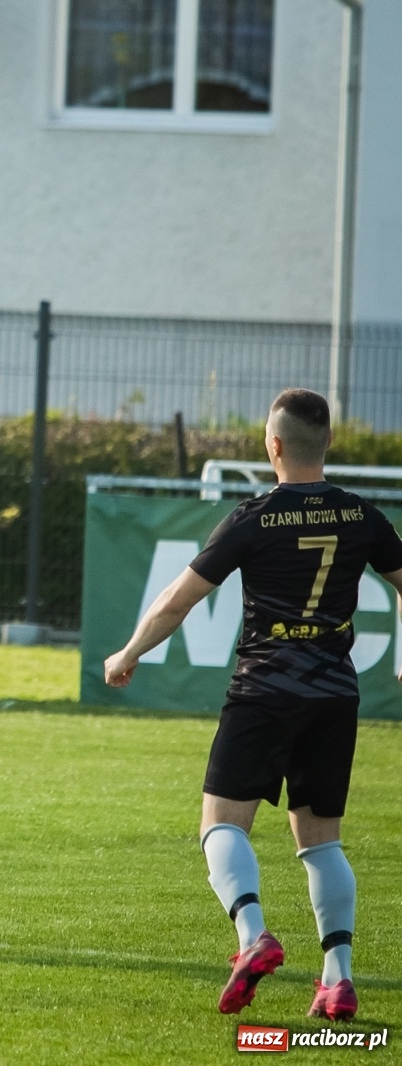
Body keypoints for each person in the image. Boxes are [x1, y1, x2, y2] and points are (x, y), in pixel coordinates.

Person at [103, 389, 402, 1021]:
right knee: (322, 844)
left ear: (272, 446)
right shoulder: (361, 516)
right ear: (327, 445)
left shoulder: (254, 517)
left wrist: (127, 653)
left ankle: (253, 936)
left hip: (265, 690)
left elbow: (177, 602)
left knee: (220, 824)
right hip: (334, 694)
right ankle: (338, 977)